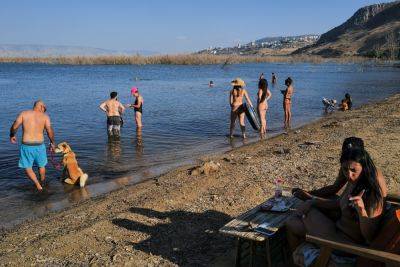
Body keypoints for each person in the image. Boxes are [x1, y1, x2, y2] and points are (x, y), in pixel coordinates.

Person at [286, 148, 387, 253]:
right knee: (291, 223)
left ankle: (313, 255)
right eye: (345, 170)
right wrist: (313, 200)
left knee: (307, 212)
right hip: (337, 230)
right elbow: (339, 203)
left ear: (364, 167)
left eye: (353, 170)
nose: (349, 175)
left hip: (347, 243)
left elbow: (370, 237)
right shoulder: (355, 181)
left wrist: (361, 211)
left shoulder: (372, 191)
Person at [292, 137, 365, 201]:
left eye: (353, 170)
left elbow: (339, 205)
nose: (349, 175)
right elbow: (334, 188)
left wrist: (310, 198)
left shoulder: (367, 176)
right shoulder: (347, 165)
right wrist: (309, 193)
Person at [9, 100, 56, 191]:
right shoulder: (45, 117)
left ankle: (38, 185)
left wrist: (12, 135)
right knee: (41, 166)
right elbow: (49, 131)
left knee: (28, 167)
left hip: (27, 145)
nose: (44, 111)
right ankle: (42, 182)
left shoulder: (24, 113)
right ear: (41, 106)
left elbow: (15, 126)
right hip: (39, 145)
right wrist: (52, 143)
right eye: (44, 108)